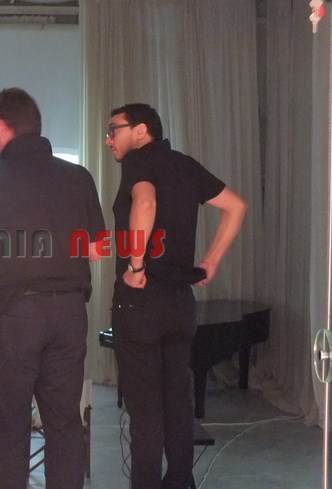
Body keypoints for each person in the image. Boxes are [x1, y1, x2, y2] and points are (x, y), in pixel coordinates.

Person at [0, 88, 105, 489]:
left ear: (2, 126)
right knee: (64, 423)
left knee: (9, 425)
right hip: (69, 313)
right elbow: (97, 250)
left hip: (15, 316)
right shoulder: (78, 176)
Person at [106, 103, 247, 489]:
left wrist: (136, 265)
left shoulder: (137, 161)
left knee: (145, 409)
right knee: (177, 403)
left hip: (141, 302)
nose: (108, 139)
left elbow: (145, 202)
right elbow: (235, 207)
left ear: (140, 130)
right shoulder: (186, 165)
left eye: (114, 129)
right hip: (180, 304)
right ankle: (180, 481)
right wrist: (211, 261)